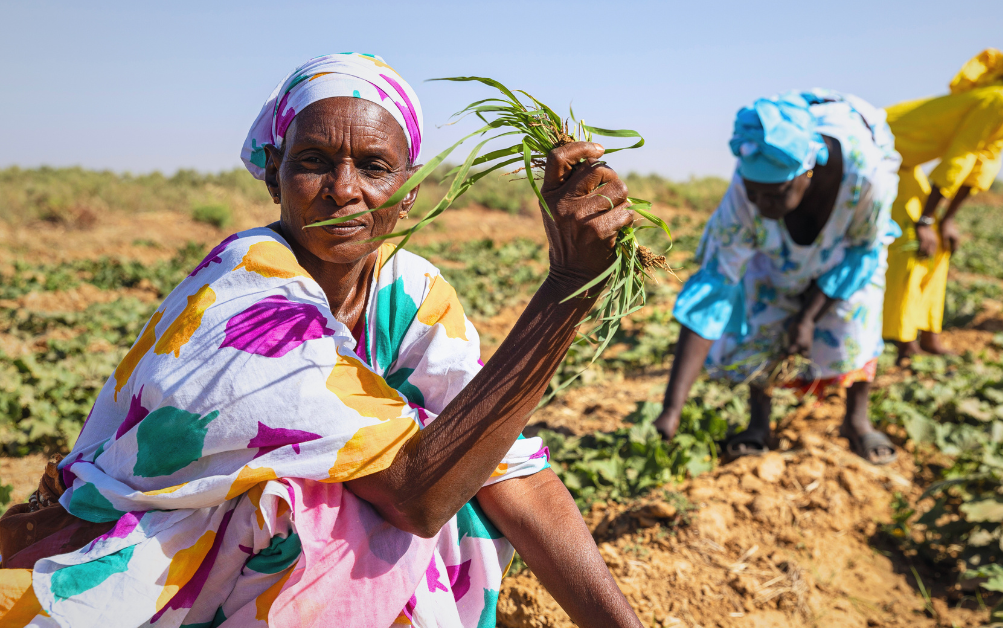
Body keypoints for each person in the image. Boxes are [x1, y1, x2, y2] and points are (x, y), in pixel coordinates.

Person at [0, 53, 643, 628]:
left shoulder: (409, 293)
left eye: (373, 166)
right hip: (163, 557)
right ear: (274, 173)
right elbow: (412, 492)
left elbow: (511, 470)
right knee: (327, 507)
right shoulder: (248, 290)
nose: (343, 190)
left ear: (408, 190)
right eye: (313, 162)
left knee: (471, 462)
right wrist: (567, 290)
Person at [652, 90, 901, 464]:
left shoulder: (865, 178)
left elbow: (862, 252)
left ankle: (856, 420)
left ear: (807, 172)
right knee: (760, 296)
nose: (762, 205)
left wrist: (808, 317)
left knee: (857, 312)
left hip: (849, 246)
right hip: (780, 255)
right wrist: (671, 409)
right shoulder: (745, 193)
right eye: (755, 194)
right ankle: (758, 423)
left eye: (777, 194)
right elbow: (716, 286)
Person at [881, 34, 1003, 360]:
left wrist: (945, 220)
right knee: (912, 241)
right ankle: (905, 342)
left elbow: (982, 164)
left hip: (906, 163)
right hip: (882, 147)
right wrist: (924, 220)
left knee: (939, 245)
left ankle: (929, 335)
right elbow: (960, 157)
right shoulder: (999, 99)